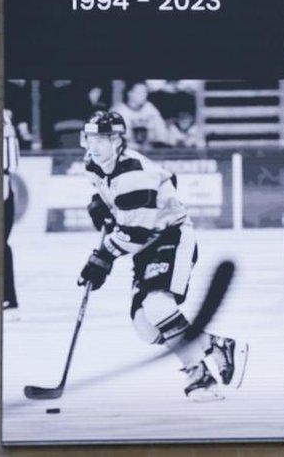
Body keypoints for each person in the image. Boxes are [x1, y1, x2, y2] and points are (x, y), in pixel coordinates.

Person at [77, 110, 247, 400]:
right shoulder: (93, 164)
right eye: (90, 138)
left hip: (171, 237)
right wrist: (100, 204)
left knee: (157, 306)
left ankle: (200, 376)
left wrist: (100, 260)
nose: (94, 145)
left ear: (118, 140)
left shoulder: (133, 174)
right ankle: (215, 345)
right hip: (145, 248)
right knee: (145, 328)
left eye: (102, 138)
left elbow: (135, 234)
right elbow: (109, 195)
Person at [112, 82, 171, 149]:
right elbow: (114, 140)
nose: (144, 95)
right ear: (129, 93)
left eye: (145, 92)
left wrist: (156, 143)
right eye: (139, 92)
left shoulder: (149, 107)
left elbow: (162, 133)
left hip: (149, 150)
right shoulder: (118, 111)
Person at [3, 109, 20, 313]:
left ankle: (7, 296)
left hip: (0, 183)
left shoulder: (2, 117)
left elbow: (10, 164)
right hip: (2, 182)